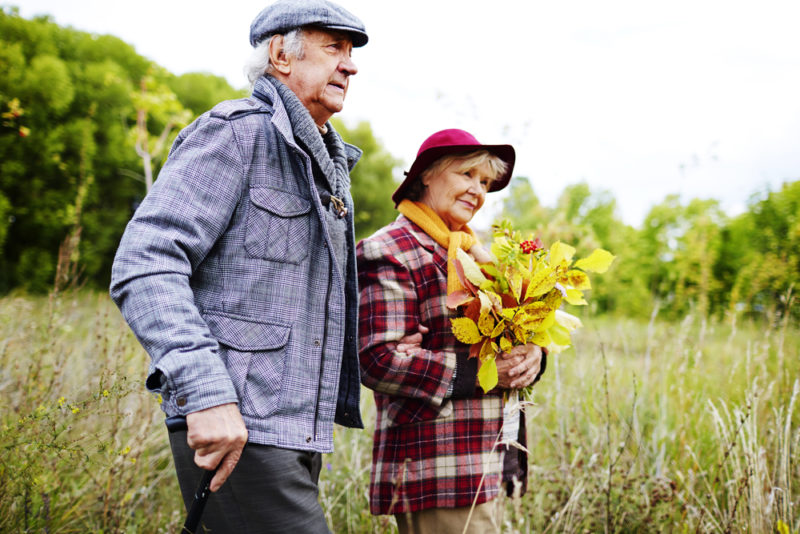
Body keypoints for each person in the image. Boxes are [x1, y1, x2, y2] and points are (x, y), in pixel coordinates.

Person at [109, 1, 368, 531]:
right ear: (280, 54)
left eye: (351, 52)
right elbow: (146, 262)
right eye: (333, 48)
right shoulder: (235, 134)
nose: (351, 65)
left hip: (288, 430)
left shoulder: (326, 161)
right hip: (237, 422)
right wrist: (205, 391)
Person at [356, 129, 547, 534]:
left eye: (484, 182)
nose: (477, 190)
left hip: (485, 458)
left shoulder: (475, 255)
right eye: (467, 174)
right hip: (436, 464)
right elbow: (378, 359)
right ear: (427, 174)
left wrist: (535, 356)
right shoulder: (390, 249)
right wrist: (485, 372)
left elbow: (511, 339)